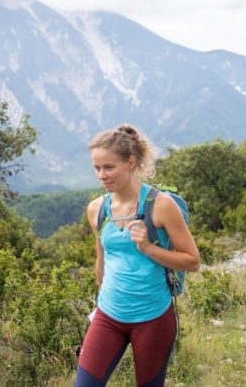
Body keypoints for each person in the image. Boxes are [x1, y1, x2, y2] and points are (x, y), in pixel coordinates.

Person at [75, 125, 201, 387]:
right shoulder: (96, 209)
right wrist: (99, 304)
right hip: (108, 316)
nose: (102, 175)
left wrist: (149, 248)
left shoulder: (161, 205)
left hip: (153, 318)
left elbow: (192, 260)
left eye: (109, 167)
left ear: (131, 162)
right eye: (96, 168)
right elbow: (102, 261)